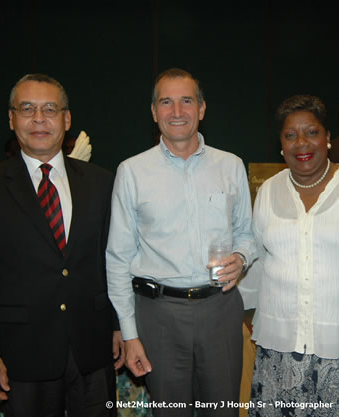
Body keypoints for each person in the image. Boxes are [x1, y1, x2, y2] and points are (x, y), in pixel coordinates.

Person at [0, 73, 124, 416]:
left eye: (49, 109)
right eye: (27, 109)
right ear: (11, 118)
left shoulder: (103, 183)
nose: (38, 119)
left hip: (92, 352)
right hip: (21, 358)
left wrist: (119, 325)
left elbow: (112, 263)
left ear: (66, 119)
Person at [106, 68, 256, 417]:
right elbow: (117, 258)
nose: (177, 112)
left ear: (201, 109)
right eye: (166, 102)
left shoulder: (230, 165)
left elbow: (247, 234)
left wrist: (242, 256)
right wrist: (129, 334)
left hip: (220, 309)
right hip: (157, 315)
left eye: (186, 101)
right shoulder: (131, 172)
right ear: (154, 112)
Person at [239, 95, 339, 416]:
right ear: (280, 144)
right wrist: (245, 312)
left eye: (312, 132)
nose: (301, 143)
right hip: (278, 351)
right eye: (290, 135)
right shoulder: (268, 191)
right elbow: (258, 260)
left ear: (329, 137)